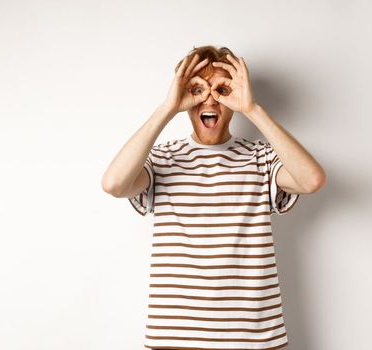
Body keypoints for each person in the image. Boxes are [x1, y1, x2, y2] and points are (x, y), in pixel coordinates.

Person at [100, 45, 326, 350]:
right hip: (175, 337)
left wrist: (252, 109)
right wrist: (167, 107)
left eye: (222, 90)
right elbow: (113, 184)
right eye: (197, 89)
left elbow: (311, 179)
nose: (209, 99)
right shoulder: (163, 158)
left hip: (254, 339)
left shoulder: (261, 158)